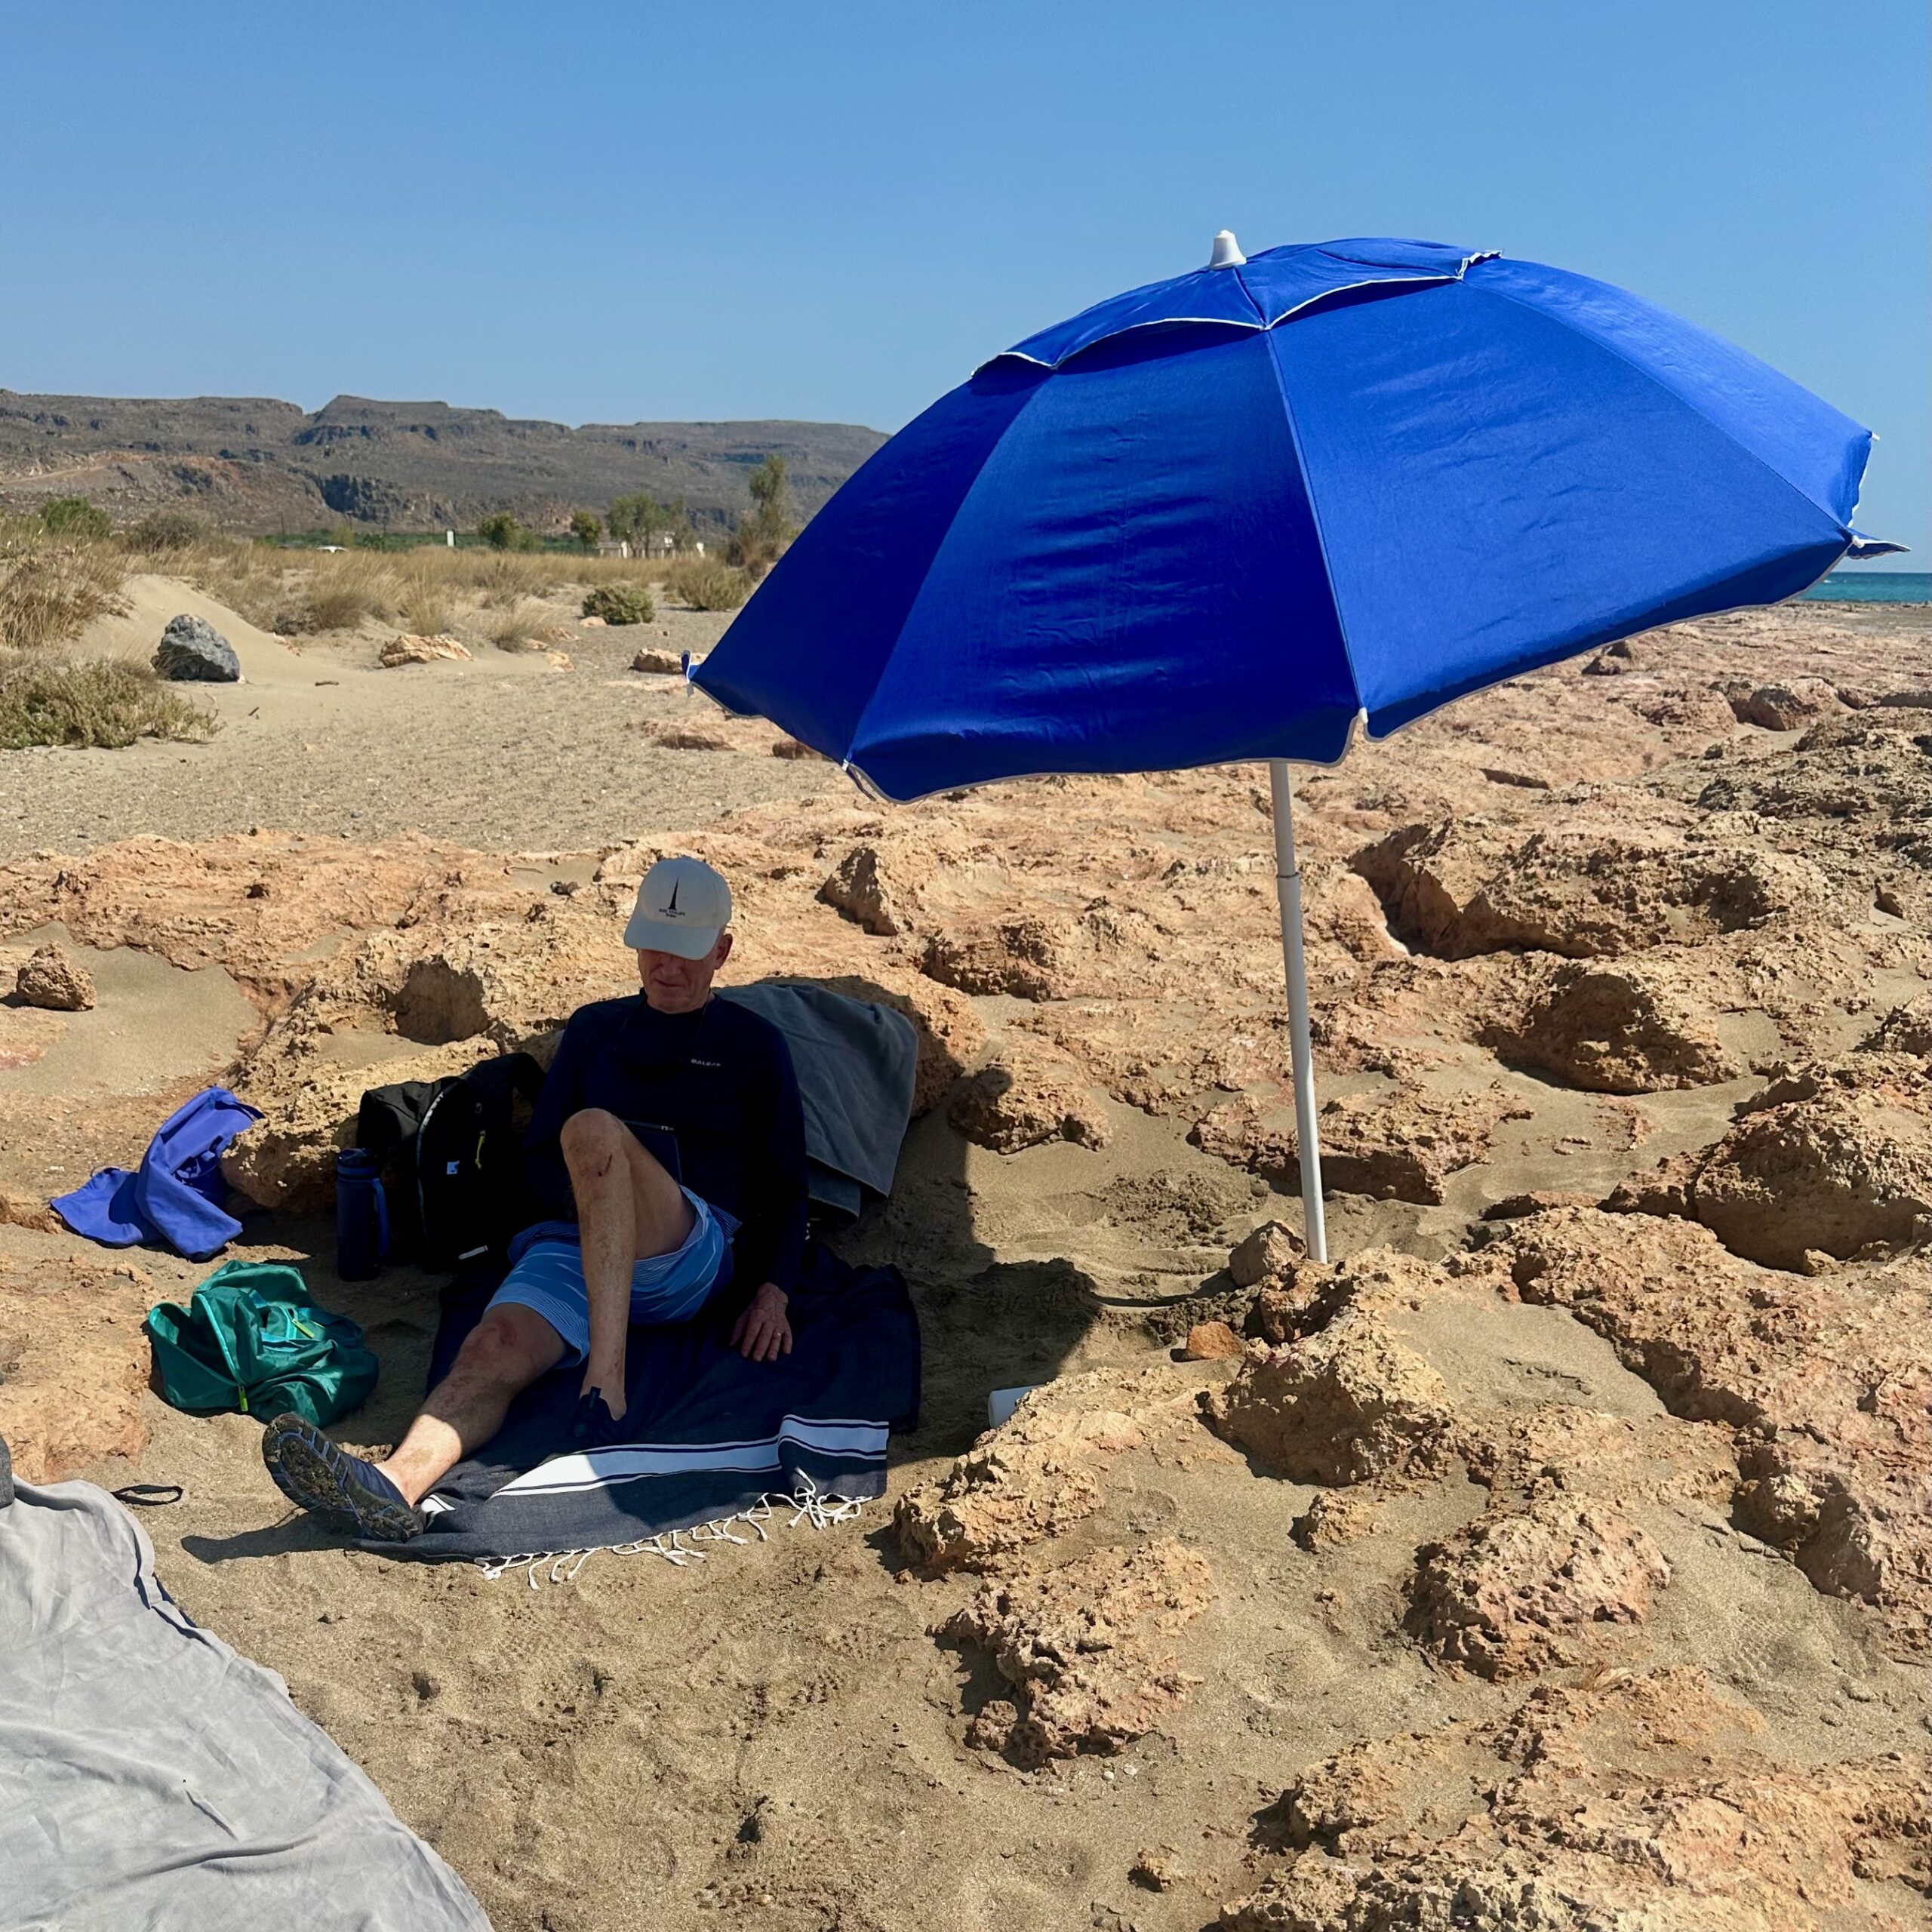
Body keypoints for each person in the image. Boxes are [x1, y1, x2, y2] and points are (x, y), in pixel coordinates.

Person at [261, 855, 808, 1542]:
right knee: (491, 1342)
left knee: (596, 1129)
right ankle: (393, 1485)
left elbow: (789, 1185)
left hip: (683, 1252)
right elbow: (541, 1159)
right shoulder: (595, 1030)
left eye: (686, 953)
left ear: (721, 952)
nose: (666, 968)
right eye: (654, 949)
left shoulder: (755, 1047)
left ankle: (605, 1385)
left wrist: (773, 1292)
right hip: (576, 1242)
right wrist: (589, 1199)